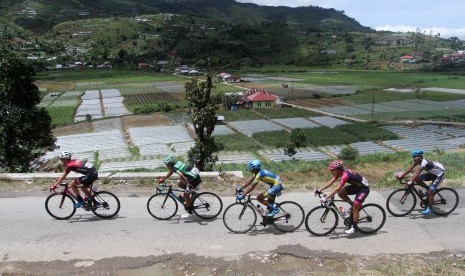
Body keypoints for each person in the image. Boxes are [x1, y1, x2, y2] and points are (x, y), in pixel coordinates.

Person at [316, 160, 370, 234]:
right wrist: (319, 189)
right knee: (341, 193)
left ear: (338, 170)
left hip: (364, 188)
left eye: (332, 171)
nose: (331, 172)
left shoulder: (345, 175)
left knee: (355, 207)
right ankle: (353, 206)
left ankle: (354, 228)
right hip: (357, 186)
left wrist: (326, 198)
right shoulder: (340, 171)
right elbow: (331, 181)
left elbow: (337, 188)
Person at [396, 149, 445, 215]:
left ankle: (430, 208)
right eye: (413, 157)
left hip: (439, 174)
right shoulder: (418, 161)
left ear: (419, 157)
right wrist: (402, 175)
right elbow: (410, 169)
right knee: (417, 179)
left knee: (430, 191)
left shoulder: (424, 162)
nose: (413, 159)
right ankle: (428, 190)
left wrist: (410, 181)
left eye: (414, 157)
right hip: (433, 173)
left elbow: (417, 173)